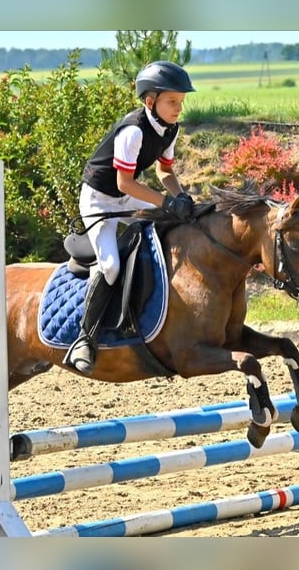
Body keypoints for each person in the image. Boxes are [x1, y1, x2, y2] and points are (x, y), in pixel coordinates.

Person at [63, 60, 197, 375]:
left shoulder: (170, 129)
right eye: (172, 102)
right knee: (110, 265)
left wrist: (180, 198)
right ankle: (86, 338)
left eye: (181, 102)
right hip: (99, 200)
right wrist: (166, 201)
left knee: (175, 225)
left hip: (125, 194)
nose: (178, 108)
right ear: (151, 101)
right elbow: (124, 182)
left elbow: (165, 171)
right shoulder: (134, 130)